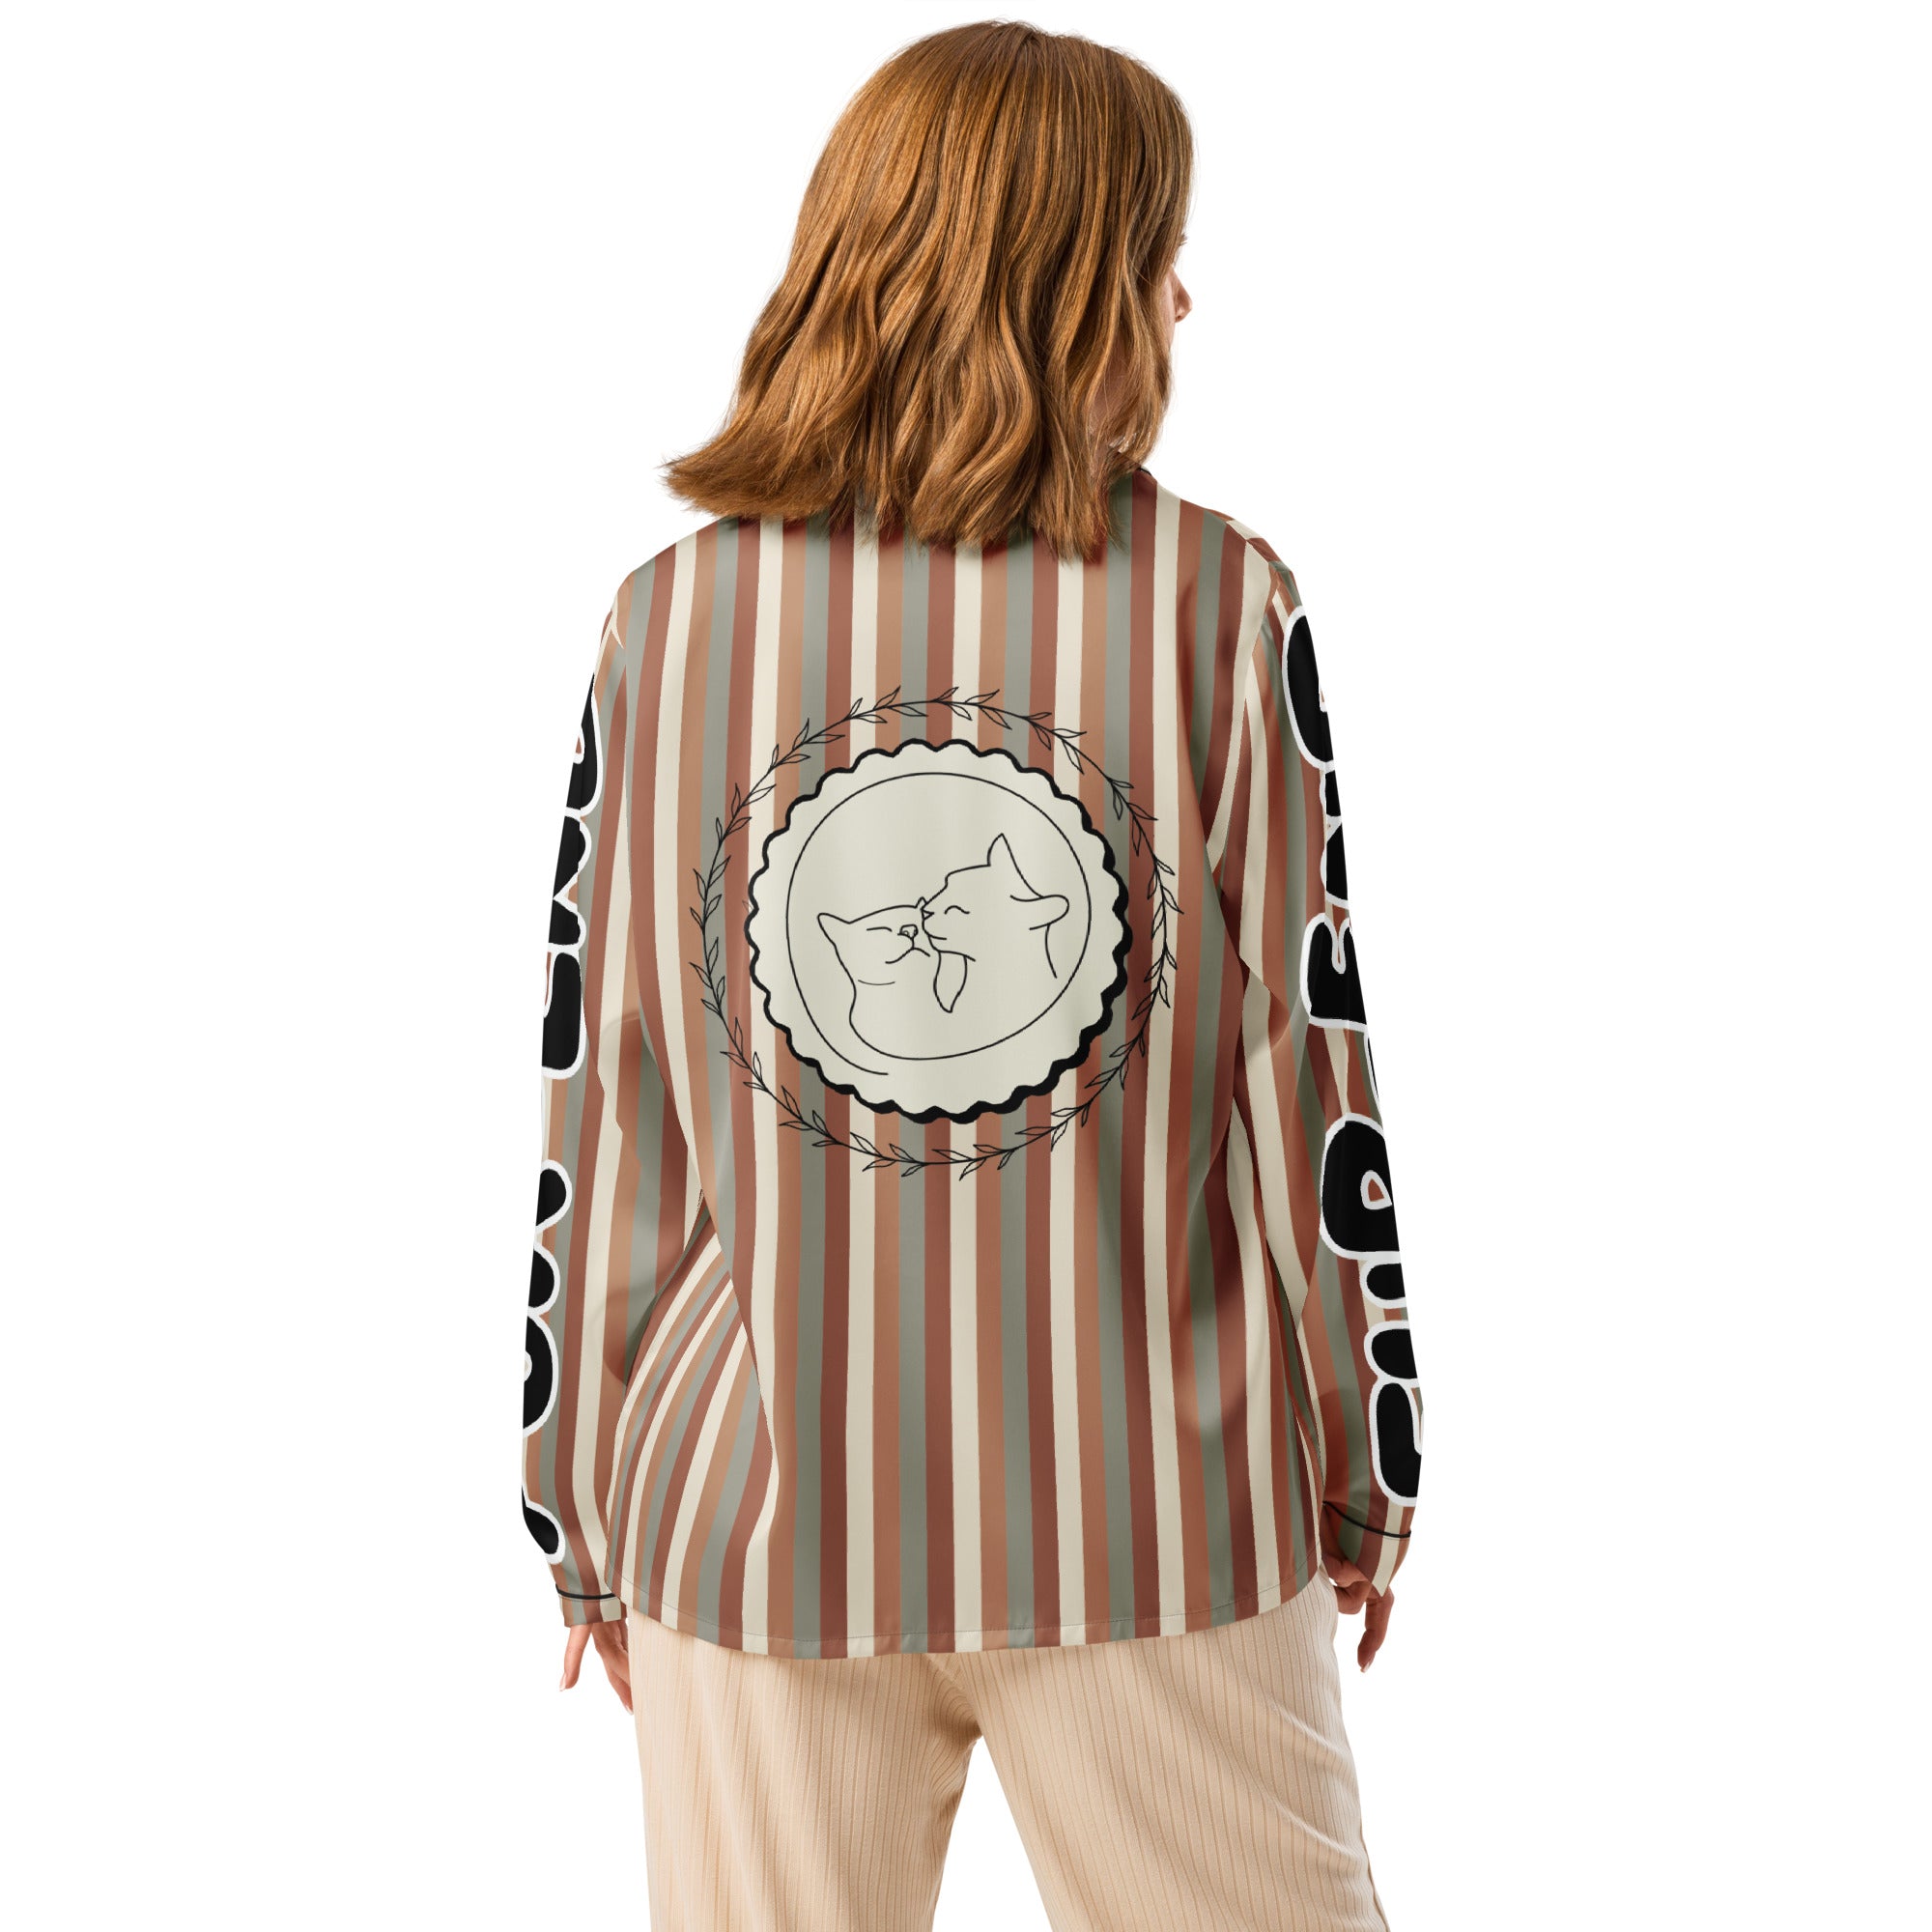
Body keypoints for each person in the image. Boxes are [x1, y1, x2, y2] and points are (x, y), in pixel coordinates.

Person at [521, 22, 1419, 1930]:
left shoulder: (668, 621)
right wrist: (1369, 1455)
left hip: (749, 1512)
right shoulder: (1214, 603)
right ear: (1069, 281)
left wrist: (573, 1497)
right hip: (1147, 1510)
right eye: (1154, 251)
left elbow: (605, 1092)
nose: (1184, 298)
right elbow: (1304, 1062)